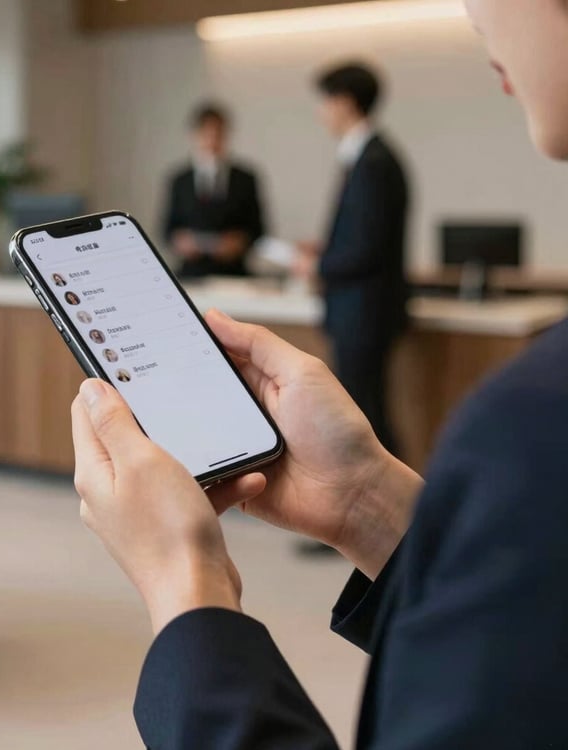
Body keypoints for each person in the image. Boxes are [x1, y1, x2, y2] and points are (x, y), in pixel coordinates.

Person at [72, 1, 568, 747]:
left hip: (365, 311)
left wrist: (185, 581)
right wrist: (367, 500)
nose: (471, 10)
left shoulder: (530, 431)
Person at [308, 63, 409, 454]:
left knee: (367, 421)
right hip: (360, 312)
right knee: (368, 415)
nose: (320, 113)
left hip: (364, 314)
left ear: (345, 103)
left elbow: (367, 249)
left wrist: (316, 265)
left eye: (325, 102)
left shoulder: (374, 162)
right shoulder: (366, 156)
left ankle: (402, 494)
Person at [163, 103, 266, 278]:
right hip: (191, 273)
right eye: (206, 134)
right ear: (195, 135)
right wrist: (181, 242)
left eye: (218, 134)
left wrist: (239, 243)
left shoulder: (246, 179)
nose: (212, 140)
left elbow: (259, 230)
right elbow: (167, 230)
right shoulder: (180, 180)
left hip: (233, 273)